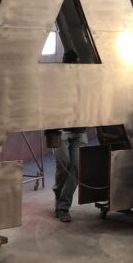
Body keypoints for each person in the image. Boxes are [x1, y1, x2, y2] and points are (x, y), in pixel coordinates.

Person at [51, 49, 88, 223]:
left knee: (77, 168)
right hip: (60, 130)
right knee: (64, 165)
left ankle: (63, 207)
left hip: (79, 130)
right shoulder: (56, 81)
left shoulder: (84, 81)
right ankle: (59, 194)